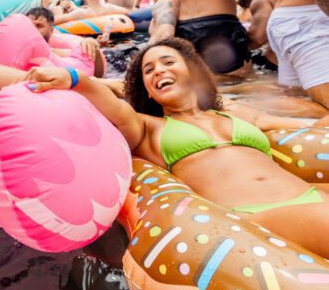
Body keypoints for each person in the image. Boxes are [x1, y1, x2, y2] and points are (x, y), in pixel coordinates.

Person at [26, 37, 329, 258]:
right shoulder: (148, 127)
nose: (158, 70)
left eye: (168, 62)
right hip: (254, 216)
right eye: (148, 70)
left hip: (310, 197)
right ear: (145, 88)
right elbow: (116, 111)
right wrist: (75, 78)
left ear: (194, 71)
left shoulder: (236, 114)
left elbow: (303, 128)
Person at [26, 7, 104, 76]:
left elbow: (96, 75)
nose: (32, 29)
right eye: (29, 24)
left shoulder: (59, 52)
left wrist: (91, 44)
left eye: (39, 26)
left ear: (51, 31)